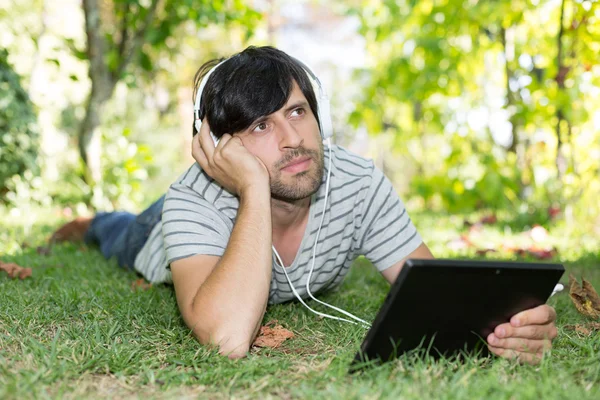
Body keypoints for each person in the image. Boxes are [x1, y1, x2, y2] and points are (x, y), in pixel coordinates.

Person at [51, 46, 557, 362]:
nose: (293, 138)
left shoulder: (359, 183)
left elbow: (440, 299)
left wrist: (508, 329)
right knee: (117, 231)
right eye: (261, 126)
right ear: (220, 147)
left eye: (297, 111)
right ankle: (86, 220)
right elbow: (227, 338)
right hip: (156, 235)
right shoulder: (193, 198)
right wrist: (251, 189)